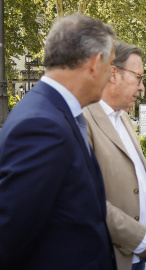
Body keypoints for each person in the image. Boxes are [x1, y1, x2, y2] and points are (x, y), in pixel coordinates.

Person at [0, 14, 117, 269]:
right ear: (96, 63)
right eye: (112, 65)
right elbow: (10, 236)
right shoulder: (42, 126)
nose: (111, 76)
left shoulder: (52, 113)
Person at [83, 40, 146, 269]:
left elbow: (140, 177)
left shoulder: (125, 118)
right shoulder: (82, 120)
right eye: (138, 78)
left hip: (138, 256)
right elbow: (88, 199)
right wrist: (140, 241)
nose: (142, 87)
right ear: (113, 73)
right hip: (108, 257)